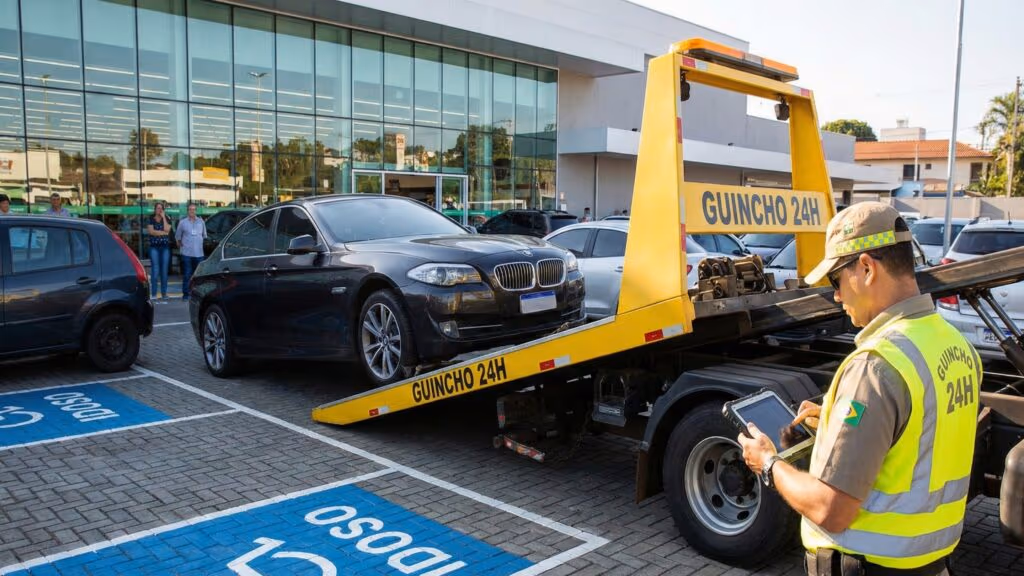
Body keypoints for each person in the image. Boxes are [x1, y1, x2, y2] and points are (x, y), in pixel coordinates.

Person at [738, 202, 981, 576]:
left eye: (836, 280)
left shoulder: (876, 366)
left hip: (870, 566)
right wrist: (836, 422)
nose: (837, 296)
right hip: (930, 563)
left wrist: (768, 463)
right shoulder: (955, 344)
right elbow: (920, 437)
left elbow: (830, 510)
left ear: (867, 268)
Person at [175, 203, 207, 301]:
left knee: (198, 275)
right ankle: (186, 295)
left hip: (199, 254)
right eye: (190, 209)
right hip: (187, 253)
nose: (192, 211)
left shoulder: (201, 222)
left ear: (196, 211)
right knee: (187, 274)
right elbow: (178, 237)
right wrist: (183, 246)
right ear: (187, 211)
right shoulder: (182, 222)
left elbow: (204, 236)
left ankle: (198, 295)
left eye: (193, 209)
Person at [146, 202, 173, 302]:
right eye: (158, 208)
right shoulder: (151, 218)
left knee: (164, 271)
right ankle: (153, 294)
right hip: (154, 248)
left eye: (161, 208)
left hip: (165, 248)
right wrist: (163, 233)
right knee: (155, 270)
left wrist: (164, 217)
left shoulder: (167, 218)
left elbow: (167, 230)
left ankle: (164, 294)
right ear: (155, 209)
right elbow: (151, 231)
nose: (160, 210)